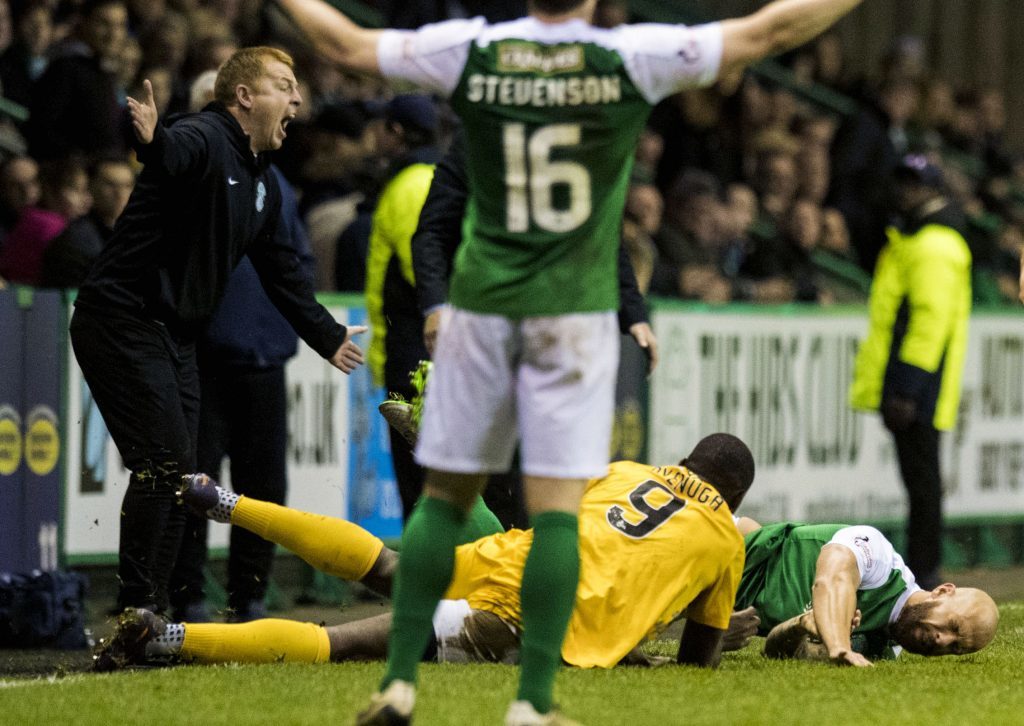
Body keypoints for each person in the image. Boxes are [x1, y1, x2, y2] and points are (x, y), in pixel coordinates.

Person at [277, 0, 865, 722]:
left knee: (443, 501)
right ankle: (531, 703)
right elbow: (769, 30)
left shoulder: (474, 51)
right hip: (568, 316)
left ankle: (399, 681)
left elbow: (341, 42)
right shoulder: (626, 59)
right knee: (557, 518)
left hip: (485, 306)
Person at [68, 46, 366, 619]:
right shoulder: (204, 135)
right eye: (284, 85)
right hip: (120, 319)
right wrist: (152, 142)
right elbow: (172, 151)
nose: (298, 98)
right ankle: (139, 611)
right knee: (164, 465)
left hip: (173, 335)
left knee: (179, 476)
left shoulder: (263, 184)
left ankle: (153, 613)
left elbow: (284, 273)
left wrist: (326, 335)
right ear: (244, 97)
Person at [95, 432, 754, 673]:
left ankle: (222, 500)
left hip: (508, 557)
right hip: (534, 614)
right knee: (347, 643)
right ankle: (166, 637)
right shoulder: (724, 539)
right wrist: (711, 638)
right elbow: (697, 661)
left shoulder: (624, 470)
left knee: (386, 567)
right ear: (732, 497)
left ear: (685, 461)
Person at [168, 71, 317, 624]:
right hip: (202, 357)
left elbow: (294, 266)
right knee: (193, 481)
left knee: (264, 488)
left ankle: (249, 598)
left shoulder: (270, 183)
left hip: (260, 358)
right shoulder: (186, 179)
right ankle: (185, 597)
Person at [849, 154, 971, 591]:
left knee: (922, 484)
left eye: (913, 183)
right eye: (900, 180)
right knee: (922, 483)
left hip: (919, 385)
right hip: (918, 383)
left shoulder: (933, 244)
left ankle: (924, 572)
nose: (903, 191)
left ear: (933, 190)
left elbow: (927, 322)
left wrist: (906, 388)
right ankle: (923, 569)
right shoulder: (921, 239)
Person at [732, 520, 999, 666]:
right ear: (942, 591)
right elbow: (832, 579)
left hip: (721, 604)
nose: (942, 640)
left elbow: (779, 654)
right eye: (952, 625)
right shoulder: (882, 559)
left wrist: (800, 626)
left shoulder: (882, 651)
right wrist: (838, 645)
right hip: (719, 548)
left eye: (955, 647)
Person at [39, 154, 135, 289]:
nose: (120, 193)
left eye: (127, 185)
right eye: (110, 185)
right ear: (91, 186)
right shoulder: (76, 241)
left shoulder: (139, 233)